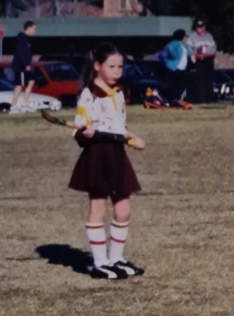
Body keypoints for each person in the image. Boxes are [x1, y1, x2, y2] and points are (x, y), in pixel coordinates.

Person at [68, 43, 146, 280]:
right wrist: (84, 133)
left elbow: (118, 127)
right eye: (111, 66)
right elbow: (77, 130)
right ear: (97, 66)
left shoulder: (120, 93)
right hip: (97, 155)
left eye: (120, 67)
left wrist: (131, 138)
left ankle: (115, 259)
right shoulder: (89, 94)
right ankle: (99, 263)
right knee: (97, 208)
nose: (116, 71)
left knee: (123, 210)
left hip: (117, 154)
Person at [186, 20, 217, 104]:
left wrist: (204, 49)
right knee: (198, 80)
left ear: (204, 27)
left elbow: (213, 48)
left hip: (208, 60)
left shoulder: (209, 36)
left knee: (208, 80)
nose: (200, 29)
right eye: (198, 27)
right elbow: (189, 48)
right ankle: (199, 99)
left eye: (201, 27)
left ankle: (208, 98)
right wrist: (193, 55)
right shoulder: (192, 36)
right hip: (197, 61)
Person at [10, 20, 37, 114]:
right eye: (34, 29)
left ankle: (25, 105)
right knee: (19, 85)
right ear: (28, 28)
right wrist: (26, 64)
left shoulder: (27, 40)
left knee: (31, 81)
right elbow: (22, 53)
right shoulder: (22, 39)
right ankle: (13, 106)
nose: (35, 31)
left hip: (25, 65)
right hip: (20, 66)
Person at [161, 29, 192, 101]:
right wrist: (175, 56)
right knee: (173, 86)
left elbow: (186, 53)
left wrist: (192, 56)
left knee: (180, 86)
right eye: (185, 36)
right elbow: (170, 49)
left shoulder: (183, 46)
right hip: (174, 68)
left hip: (181, 70)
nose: (185, 38)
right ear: (181, 37)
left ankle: (177, 99)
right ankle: (172, 99)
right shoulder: (174, 43)